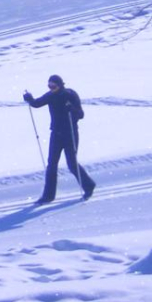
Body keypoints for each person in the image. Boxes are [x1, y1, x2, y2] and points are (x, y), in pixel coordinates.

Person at [23, 74, 96, 205]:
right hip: (56, 134)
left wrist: (71, 109)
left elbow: (81, 114)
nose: (51, 88)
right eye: (49, 86)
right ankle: (48, 196)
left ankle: (89, 186)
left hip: (70, 134)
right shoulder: (50, 95)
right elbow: (37, 103)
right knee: (51, 165)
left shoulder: (70, 95)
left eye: (53, 86)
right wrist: (29, 99)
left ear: (60, 85)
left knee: (72, 163)